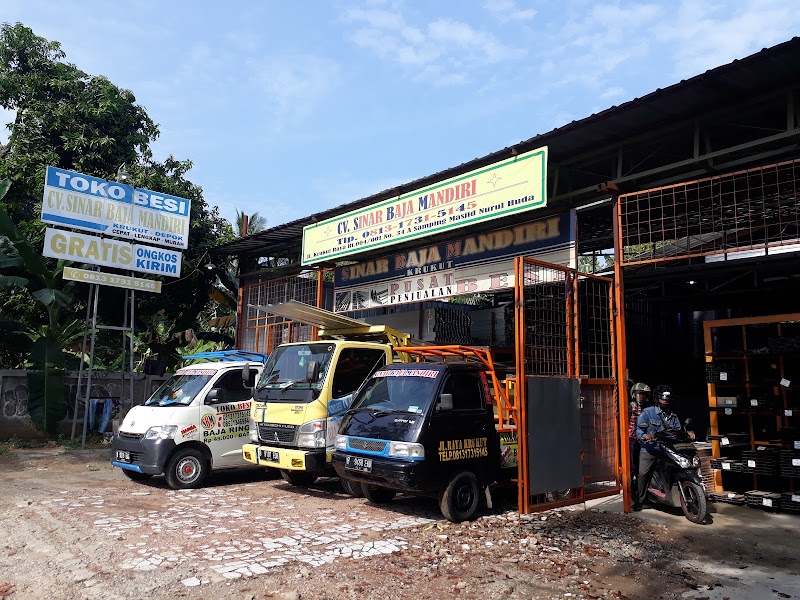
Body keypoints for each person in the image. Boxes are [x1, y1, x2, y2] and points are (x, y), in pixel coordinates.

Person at [633, 385, 694, 511]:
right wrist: (645, 435)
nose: (665, 401)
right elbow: (638, 429)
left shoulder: (673, 415)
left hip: (668, 449)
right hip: (650, 448)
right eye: (663, 399)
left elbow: (678, 431)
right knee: (643, 473)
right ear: (657, 399)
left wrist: (688, 433)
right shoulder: (648, 412)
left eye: (667, 399)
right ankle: (639, 500)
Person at [628, 382, 651, 488]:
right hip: (633, 438)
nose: (642, 396)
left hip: (645, 438)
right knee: (633, 464)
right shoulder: (630, 407)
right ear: (634, 394)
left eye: (644, 394)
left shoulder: (648, 409)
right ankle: (633, 484)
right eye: (639, 394)